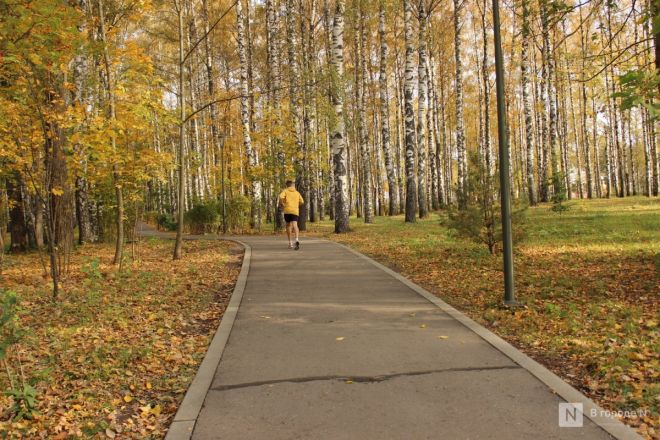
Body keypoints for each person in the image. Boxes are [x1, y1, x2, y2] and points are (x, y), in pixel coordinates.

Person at [279, 180, 304, 249]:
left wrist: (282, 204)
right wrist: (296, 205)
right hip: (295, 211)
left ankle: (290, 243)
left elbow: (280, 197)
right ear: (293, 185)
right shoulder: (297, 193)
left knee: (288, 225)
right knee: (295, 225)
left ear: (287, 185)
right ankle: (297, 239)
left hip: (287, 210)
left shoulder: (285, 191)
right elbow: (302, 201)